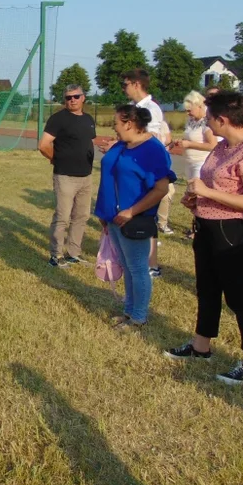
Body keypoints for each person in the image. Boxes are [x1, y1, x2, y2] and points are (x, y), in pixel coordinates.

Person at [166, 92, 243, 387]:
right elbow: (211, 183)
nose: (206, 122)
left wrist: (208, 193)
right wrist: (195, 200)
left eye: (210, 117)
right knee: (207, 289)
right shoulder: (224, 147)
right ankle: (201, 346)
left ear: (222, 120)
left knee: (240, 298)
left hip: (234, 232)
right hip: (208, 227)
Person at [94, 105, 175, 331]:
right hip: (113, 217)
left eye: (116, 123)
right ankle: (129, 311)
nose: (114, 127)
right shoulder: (123, 145)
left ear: (129, 123)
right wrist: (104, 212)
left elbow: (161, 188)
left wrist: (132, 211)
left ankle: (139, 316)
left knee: (137, 268)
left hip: (132, 219)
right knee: (127, 267)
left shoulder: (153, 149)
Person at [38, 84, 96, 268]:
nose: (72, 100)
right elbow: (43, 144)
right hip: (65, 176)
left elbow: (88, 142)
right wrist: (56, 159)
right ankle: (56, 256)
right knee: (62, 216)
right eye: (68, 98)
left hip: (85, 176)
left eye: (76, 96)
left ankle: (74, 253)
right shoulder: (58, 119)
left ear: (83, 98)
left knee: (81, 216)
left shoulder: (88, 119)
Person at [122, 69, 172, 271]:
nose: (124, 89)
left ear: (136, 84)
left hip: (146, 169)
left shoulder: (151, 108)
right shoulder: (135, 107)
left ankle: (152, 265)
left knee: (147, 215)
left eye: (125, 84)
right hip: (135, 167)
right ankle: (136, 258)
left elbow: (148, 139)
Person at [179, 91, 218, 181]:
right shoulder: (190, 120)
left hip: (201, 163)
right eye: (186, 111)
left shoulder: (206, 122)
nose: (187, 113)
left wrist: (189, 144)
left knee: (196, 190)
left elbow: (212, 145)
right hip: (189, 162)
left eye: (189, 110)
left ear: (199, 106)